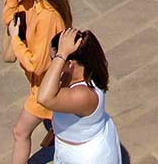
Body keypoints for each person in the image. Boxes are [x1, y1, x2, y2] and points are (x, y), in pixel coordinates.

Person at [4, 0, 74, 164]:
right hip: (42, 84)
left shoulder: (47, 17)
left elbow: (36, 64)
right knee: (62, 123)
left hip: (45, 87)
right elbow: (9, 19)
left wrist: (16, 40)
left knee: (20, 132)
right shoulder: (32, 2)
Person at [38, 29, 121, 164]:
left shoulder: (83, 95)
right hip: (70, 149)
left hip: (86, 157)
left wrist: (62, 53)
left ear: (70, 63)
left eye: (54, 59)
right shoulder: (77, 73)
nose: (52, 64)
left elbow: (44, 98)